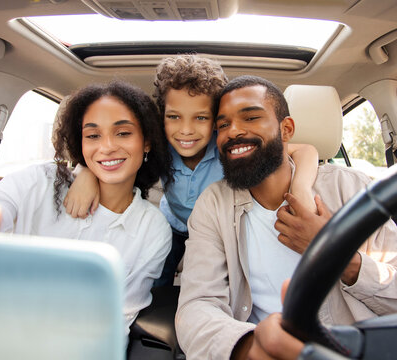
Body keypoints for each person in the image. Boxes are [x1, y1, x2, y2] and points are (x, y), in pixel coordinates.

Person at [175, 75, 397, 359]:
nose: (233, 131)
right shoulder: (213, 204)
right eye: (223, 125)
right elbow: (197, 307)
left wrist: (336, 253)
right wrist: (250, 347)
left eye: (250, 118)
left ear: (286, 129)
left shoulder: (350, 188)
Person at [64, 55, 320, 286]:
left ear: (216, 122)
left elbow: (305, 150)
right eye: (174, 117)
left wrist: (301, 188)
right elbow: (117, 159)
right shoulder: (159, 145)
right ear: (161, 116)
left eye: (200, 118)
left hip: (217, 229)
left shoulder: (229, 148)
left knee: (220, 283)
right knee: (158, 281)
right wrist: (86, 172)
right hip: (173, 225)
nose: (186, 130)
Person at [0, 80, 173, 335]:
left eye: (123, 133)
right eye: (93, 135)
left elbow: (118, 320)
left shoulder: (153, 229)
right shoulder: (41, 180)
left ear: (147, 142)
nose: (107, 147)